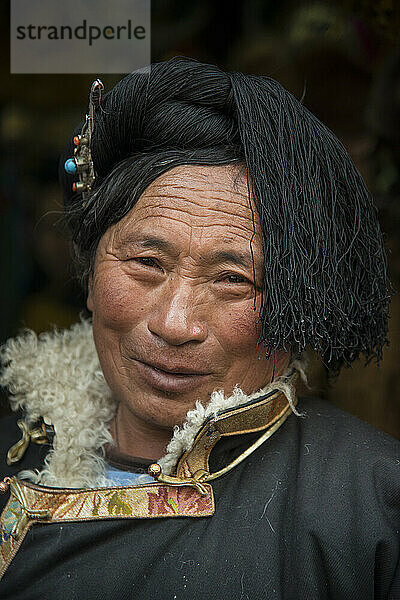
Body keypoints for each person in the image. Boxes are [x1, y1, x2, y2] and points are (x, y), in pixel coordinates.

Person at [0, 57, 399, 599]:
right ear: (90, 273)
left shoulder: (372, 505)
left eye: (233, 280)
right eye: (146, 263)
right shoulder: (13, 454)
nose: (174, 323)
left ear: (295, 306)